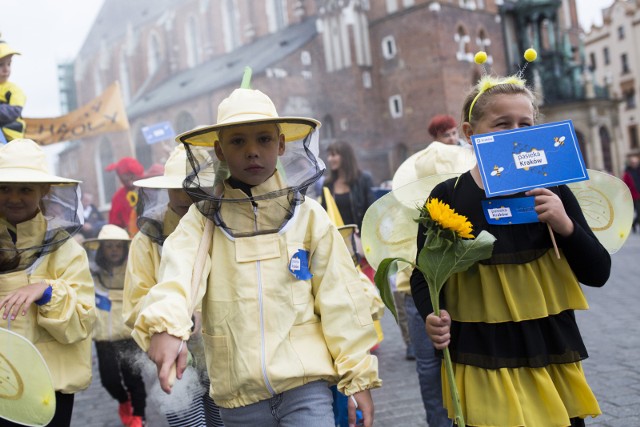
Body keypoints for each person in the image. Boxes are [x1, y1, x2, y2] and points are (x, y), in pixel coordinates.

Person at [131, 70, 381, 427]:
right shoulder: (200, 222)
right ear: (219, 150)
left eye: (263, 139)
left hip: (306, 387)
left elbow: (340, 298)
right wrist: (166, 325)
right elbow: (177, 276)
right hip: (238, 399)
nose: (252, 151)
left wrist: (358, 377)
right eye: (237, 142)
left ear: (280, 145)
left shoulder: (309, 217)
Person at [411, 74, 612, 427]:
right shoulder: (449, 195)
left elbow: (598, 272)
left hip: (549, 348)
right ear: (471, 133)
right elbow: (424, 276)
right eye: (503, 124)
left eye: (525, 124)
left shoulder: (554, 191)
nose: (515, 133)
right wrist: (432, 314)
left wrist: (565, 225)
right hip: (482, 352)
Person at [124, 144, 224, 427]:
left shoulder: (226, 227)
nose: (183, 196)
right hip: (175, 359)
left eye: (191, 187)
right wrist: (169, 322)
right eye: (176, 187)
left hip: (224, 356)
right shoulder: (145, 241)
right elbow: (135, 305)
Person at [0, 138, 96, 426]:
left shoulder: (66, 249)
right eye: (5, 188)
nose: (14, 198)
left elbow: (82, 321)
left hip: (49, 383)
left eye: (25, 189)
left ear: (44, 190)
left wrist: (47, 291)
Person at [83, 224, 146, 427]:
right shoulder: (91, 272)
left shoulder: (133, 270)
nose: (114, 250)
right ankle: (123, 401)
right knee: (109, 381)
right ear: (101, 249)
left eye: (118, 246)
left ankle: (139, 417)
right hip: (103, 339)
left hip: (128, 336)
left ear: (124, 248)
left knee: (134, 380)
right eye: (109, 246)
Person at [105, 157, 144, 231]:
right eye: (125, 177)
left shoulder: (148, 190)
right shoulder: (118, 197)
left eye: (132, 175)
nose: (129, 181)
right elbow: (114, 226)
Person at [0, 35, 26, 143]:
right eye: (1, 65)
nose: (6, 69)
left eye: (9, 64)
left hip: (10, 138)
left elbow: (14, 111)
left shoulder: (14, 90)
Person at [622, 153, 640, 233]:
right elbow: (624, 185)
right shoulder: (627, 173)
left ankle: (634, 223)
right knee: (639, 212)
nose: (635, 164)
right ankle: (634, 224)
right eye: (633, 162)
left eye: (636, 162)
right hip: (635, 195)